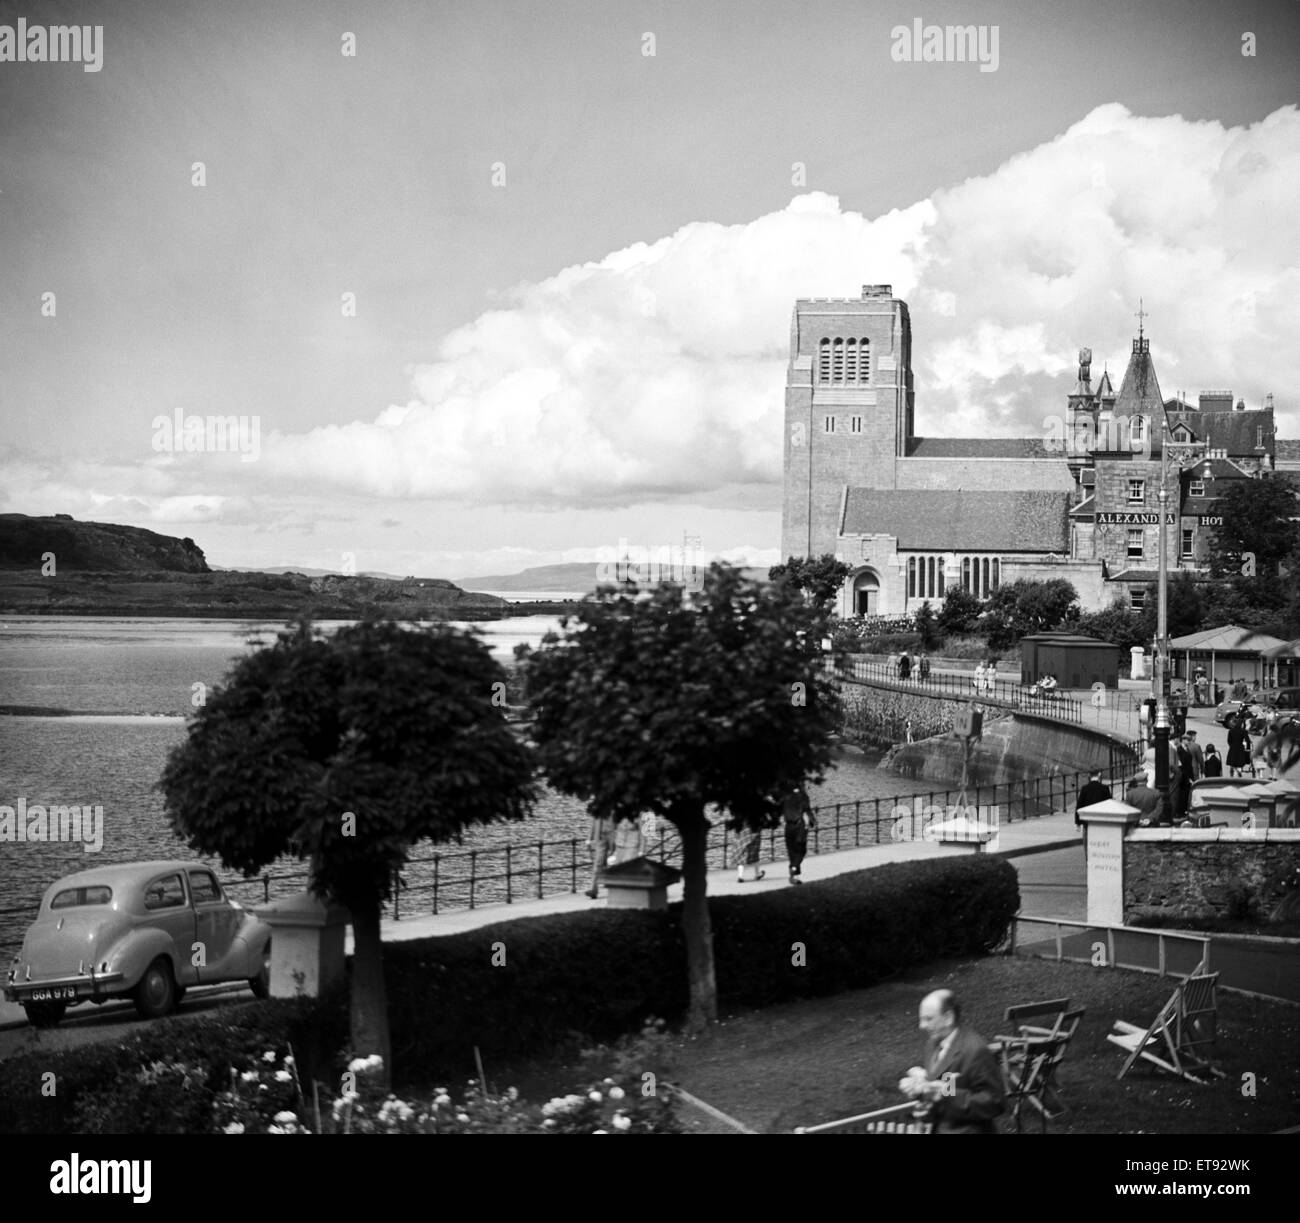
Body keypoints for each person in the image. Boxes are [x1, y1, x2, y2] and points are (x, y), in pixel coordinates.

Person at [898, 990, 1004, 1134]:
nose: (921, 1025)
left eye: (928, 1019)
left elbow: (995, 1102)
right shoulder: (932, 1044)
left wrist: (943, 1094)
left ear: (948, 1017)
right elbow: (945, 1084)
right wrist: (921, 1091)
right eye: (922, 1019)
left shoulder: (975, 1050)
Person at [782, 786, 817, 884]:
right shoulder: (802, 795)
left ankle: (795, 876)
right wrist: (812, 821)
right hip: (799, 826)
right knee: (801, 850)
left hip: (788, 826)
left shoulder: (785, 795)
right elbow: (807, 809)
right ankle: (793, 869)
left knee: (792, 851)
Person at [1075, 769, 1111, 857]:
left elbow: (1079, 805)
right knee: (1101, 846)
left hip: (1088, 822)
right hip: (1101, 822)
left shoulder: (1085, 789)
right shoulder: (1105, 788)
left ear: (1089, 776)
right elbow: (1109, 806)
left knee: (1088, 848)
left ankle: (1089, 864)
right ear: (1099, 774)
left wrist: (1078, 822)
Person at [585, 814, 616, 898]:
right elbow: (593, 823)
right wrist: (589, 839)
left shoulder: (615, 806)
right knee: (598, 863)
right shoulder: (599, 807)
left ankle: (618, 886)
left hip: (613, 837)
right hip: (600, 837)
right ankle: (593, 890)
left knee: (615, 863)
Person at [1175, 736, 1194, 821]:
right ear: (1183, 740)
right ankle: (1180, 812)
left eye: (1189, 740)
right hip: (1183, 776)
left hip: (1188, 774)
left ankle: (1184, 811)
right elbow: (1181, 764)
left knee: (1186, 794)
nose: (1189, 741)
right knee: (1182, 794)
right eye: (1187, 740)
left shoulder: (1187, 749)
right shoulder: (1179, 750)